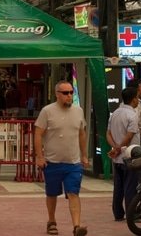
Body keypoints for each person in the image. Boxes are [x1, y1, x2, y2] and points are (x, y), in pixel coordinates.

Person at [34, 80, 89, 236]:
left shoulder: (78, 111)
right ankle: (51, 221)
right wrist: (40, 156)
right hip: (52, 162)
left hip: (73, 162)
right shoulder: (47, 111)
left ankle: (77, 226)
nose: (69, 96)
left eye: (71, 92)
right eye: (65, 93)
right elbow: (38, 133)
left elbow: (81, 133)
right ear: (57, 94)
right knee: (52, 194)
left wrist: (84, 155)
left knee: (73, 193)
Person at [107, 85, 141, 222]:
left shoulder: (115, 113)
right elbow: (129, 136)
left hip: (117, 158)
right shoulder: (132, 115)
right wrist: (119, 147)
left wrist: (114, 147)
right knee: (130, 186)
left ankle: (118, 213)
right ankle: (131, 214)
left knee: (118, 187)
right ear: (134, 100)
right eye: (137, 98)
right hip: (130, 156)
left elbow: (108, 133)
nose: (138, 101)